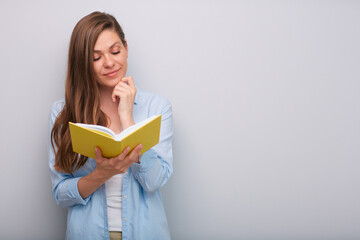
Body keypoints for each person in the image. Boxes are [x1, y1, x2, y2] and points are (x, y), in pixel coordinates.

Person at [48, 11, 173, 240]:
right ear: (83, 63)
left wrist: (128, 119)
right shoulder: (63, 113)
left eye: (115, 51)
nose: (109, 62)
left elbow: (155, 182)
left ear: (125, 47)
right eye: (96, 58)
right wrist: (101, 174)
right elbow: (60, 194)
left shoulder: (157, 107)